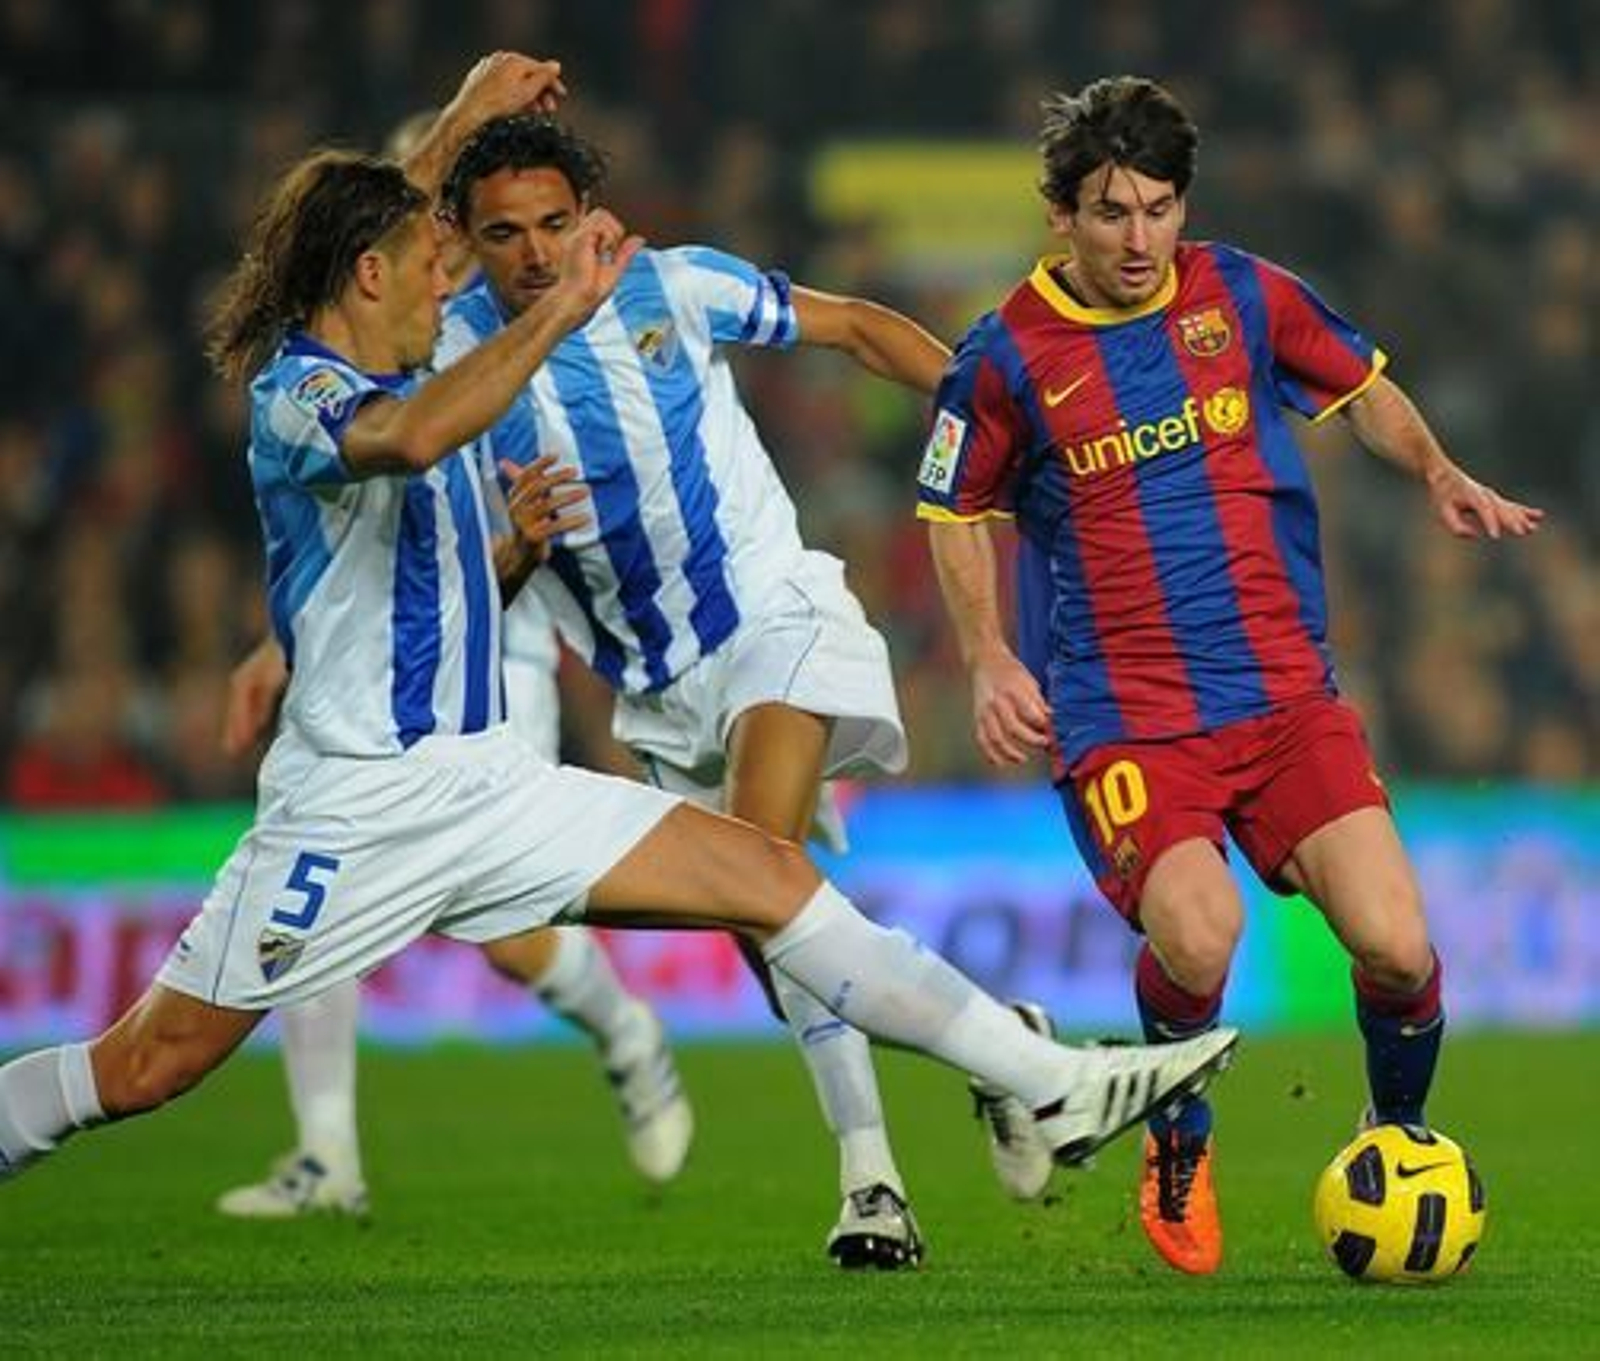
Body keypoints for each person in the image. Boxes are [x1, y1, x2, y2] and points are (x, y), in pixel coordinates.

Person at [0, 58, 1240, 1257]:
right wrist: (560, 311)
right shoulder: (303, 394)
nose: (458, 282)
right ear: (373, 273)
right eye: (441, 262)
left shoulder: (446, 327)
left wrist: (471, 113)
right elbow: (415, 428)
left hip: (490, 778)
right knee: (149, 1063)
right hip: (352, 806)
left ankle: (1047, 1084)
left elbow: (427, 535)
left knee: (769, 877)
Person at [917, 75, 1543, 1277]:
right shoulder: (1002, 356)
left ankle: (1396, 1137)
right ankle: (1177, 1132)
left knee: (1400, 948)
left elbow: (1360, 387)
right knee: (1200, 939)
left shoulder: (1243, 292)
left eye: (1159, 209)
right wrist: (990, 655)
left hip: (1283, 695)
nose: (1140, 239)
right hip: (1127, 717)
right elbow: (953, 510)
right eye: (1111, 213)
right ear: (1061, 215)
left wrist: (1437, 471)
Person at [432, 111, 962, 1268]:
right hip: (653, 688)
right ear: (465, 241)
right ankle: (1000, 1045)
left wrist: (988, 415)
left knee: (765, 869)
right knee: (773, 920)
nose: (533, 253)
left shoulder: (674, 287)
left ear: (589, 219)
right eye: (504, 233)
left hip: (771, 611)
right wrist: (514, 547)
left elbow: (860, 329)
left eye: (554, 225)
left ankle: (871, 1181)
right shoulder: (451, 372)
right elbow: (463, 587)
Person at [212, 107, 692, 1223]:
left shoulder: (505, 309)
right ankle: (327, 1151)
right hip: (402, 633)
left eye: (447, 218)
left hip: (501, 622)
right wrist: (273, 646)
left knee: (507, 935)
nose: (449, 238)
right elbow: (346, 540)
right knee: (313, 865)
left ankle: (626, 1029)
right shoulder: (394, 326)